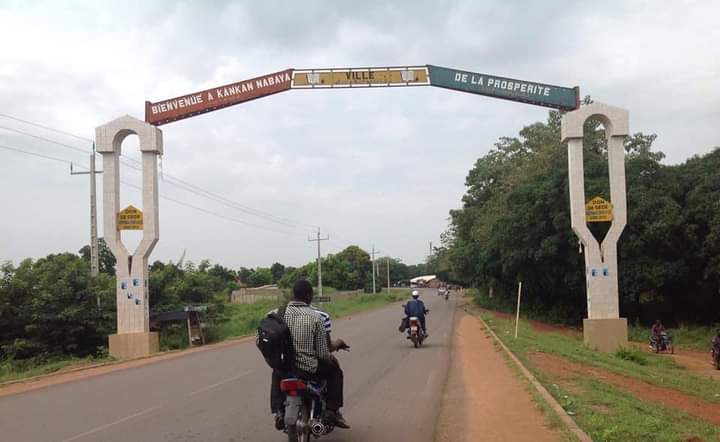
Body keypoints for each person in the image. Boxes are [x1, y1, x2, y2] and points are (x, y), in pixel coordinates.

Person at [268, 280, 350, 430]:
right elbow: (323, 353)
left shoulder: (274, 314)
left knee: (276, 372)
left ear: (293, 295)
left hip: (284, 368)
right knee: (335, 370)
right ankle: (332, 410)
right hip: (308, 369)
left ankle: (278, 412)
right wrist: (336, 345)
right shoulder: (317, 317)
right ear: (309, 296)